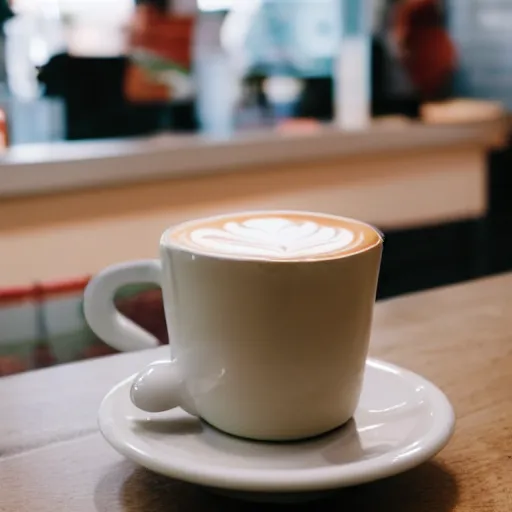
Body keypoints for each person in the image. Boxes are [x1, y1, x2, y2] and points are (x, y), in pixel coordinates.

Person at [392, 0, 457, 102]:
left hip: (430, 56)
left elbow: (401, 36)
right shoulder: (413, 8)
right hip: (429, 57)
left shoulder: (414, 7)